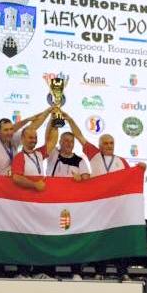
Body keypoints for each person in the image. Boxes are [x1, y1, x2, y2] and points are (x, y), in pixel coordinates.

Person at [79, 130, 141, 281]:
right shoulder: (94, 156)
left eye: (111, 143)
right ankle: (100, 272)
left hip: (117, 208)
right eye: (105, 143)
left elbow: (130, 180)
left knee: (120, 240)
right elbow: (80, 137)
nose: (109, 146)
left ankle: (122, 272)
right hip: (99, 207)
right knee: (100, 240)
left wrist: (141, 169)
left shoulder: (121, 161)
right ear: (99, 146)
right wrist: (68, 119)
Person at [10, 122, 59, 279]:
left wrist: (54, 120)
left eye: (35, 137)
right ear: (22, 139)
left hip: (39, 205)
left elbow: (52, 141)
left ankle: (39, 271)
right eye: (30, 137)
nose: (34, 140)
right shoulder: (19, 157)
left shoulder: (38, 154)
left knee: (40, 237)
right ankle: (22, 272)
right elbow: (16, 178)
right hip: (25, 204)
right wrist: (34, 185)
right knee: (25, 238)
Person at [45, 114, 90, 281]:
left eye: (71, 141)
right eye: (65, 141)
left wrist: (81, 179)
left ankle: (76, 271)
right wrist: (53, 120)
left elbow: (87, 179)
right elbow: (48, 137)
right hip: (52, 203)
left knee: (73, 237)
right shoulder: (53, 155)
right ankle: (49, 272)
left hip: (72, 206)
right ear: (60, 142)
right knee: (51, 237)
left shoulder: (80, 161)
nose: (69, 144)